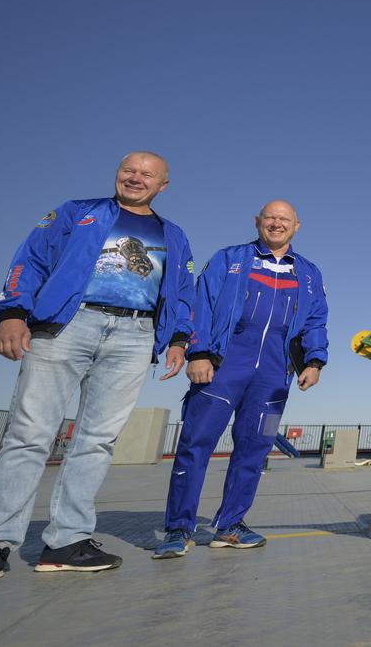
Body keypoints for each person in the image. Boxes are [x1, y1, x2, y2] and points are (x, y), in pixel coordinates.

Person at [0, 152, 194, 590]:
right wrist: (12, 313)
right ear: (117, 174)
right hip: (67, 325)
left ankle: (66, 542)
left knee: (97, 440)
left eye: (146, 174)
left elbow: (181, 292)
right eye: (129, 170)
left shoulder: (173, 235)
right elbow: (32, 258)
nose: (135, 178)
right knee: (29, 434)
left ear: (163, 185)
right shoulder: (77, 212)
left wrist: (178, 340)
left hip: (135, 336)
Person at [153, 200, 328, 558]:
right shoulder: (228, 259)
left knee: (255, 448)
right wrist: (198, 352)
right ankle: (178, 528)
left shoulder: (308, 273)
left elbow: (316, 320)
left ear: (296, 226)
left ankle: (230, 525)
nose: (276, 224)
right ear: (257, 222)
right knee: (195, 444)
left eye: (284, 219)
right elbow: (201, 303)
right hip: (223, 366)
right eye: (270, 218)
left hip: (273, 375)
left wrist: (314, 361)